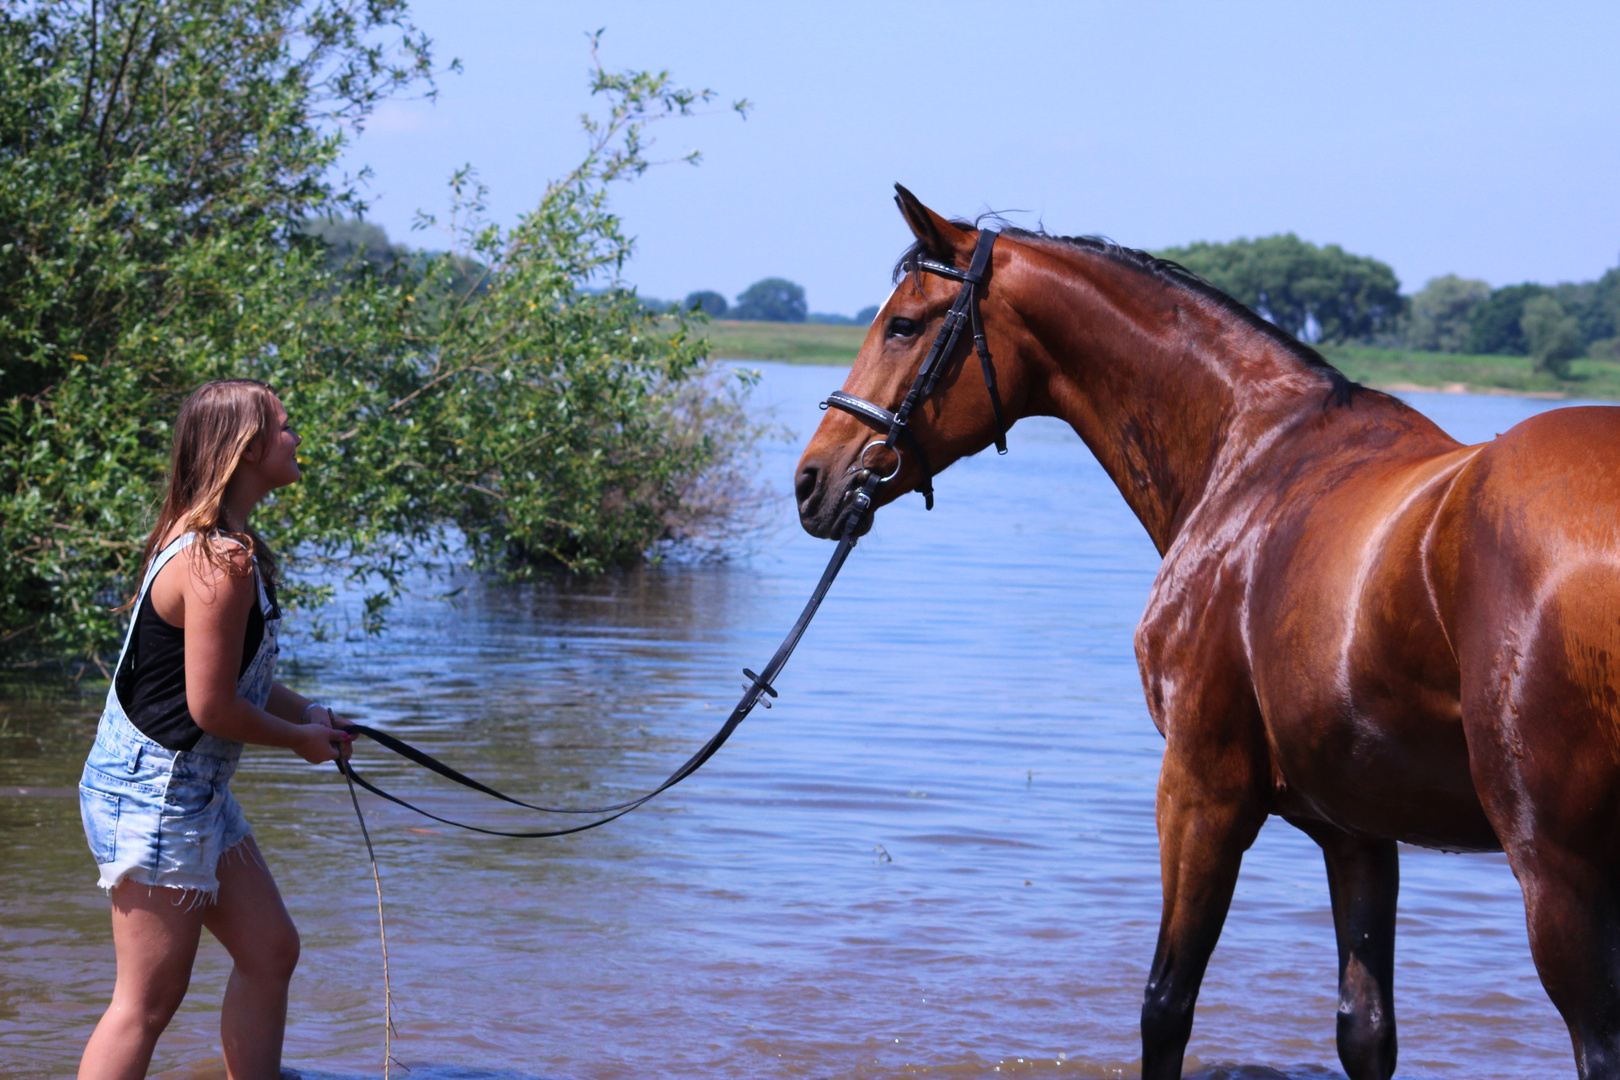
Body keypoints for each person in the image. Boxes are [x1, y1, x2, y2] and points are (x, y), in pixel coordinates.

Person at [77, 379, 352, 1080]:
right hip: (155, 794)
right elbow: (212, 710)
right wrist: (298, 743)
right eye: (285, 427)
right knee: (146, 1003)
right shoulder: (217, 562)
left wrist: (308, 714)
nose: (296, 439)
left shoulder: (229, 546)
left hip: (188, 789)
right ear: (250, 447)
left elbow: (236, 685)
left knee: (270, 951)